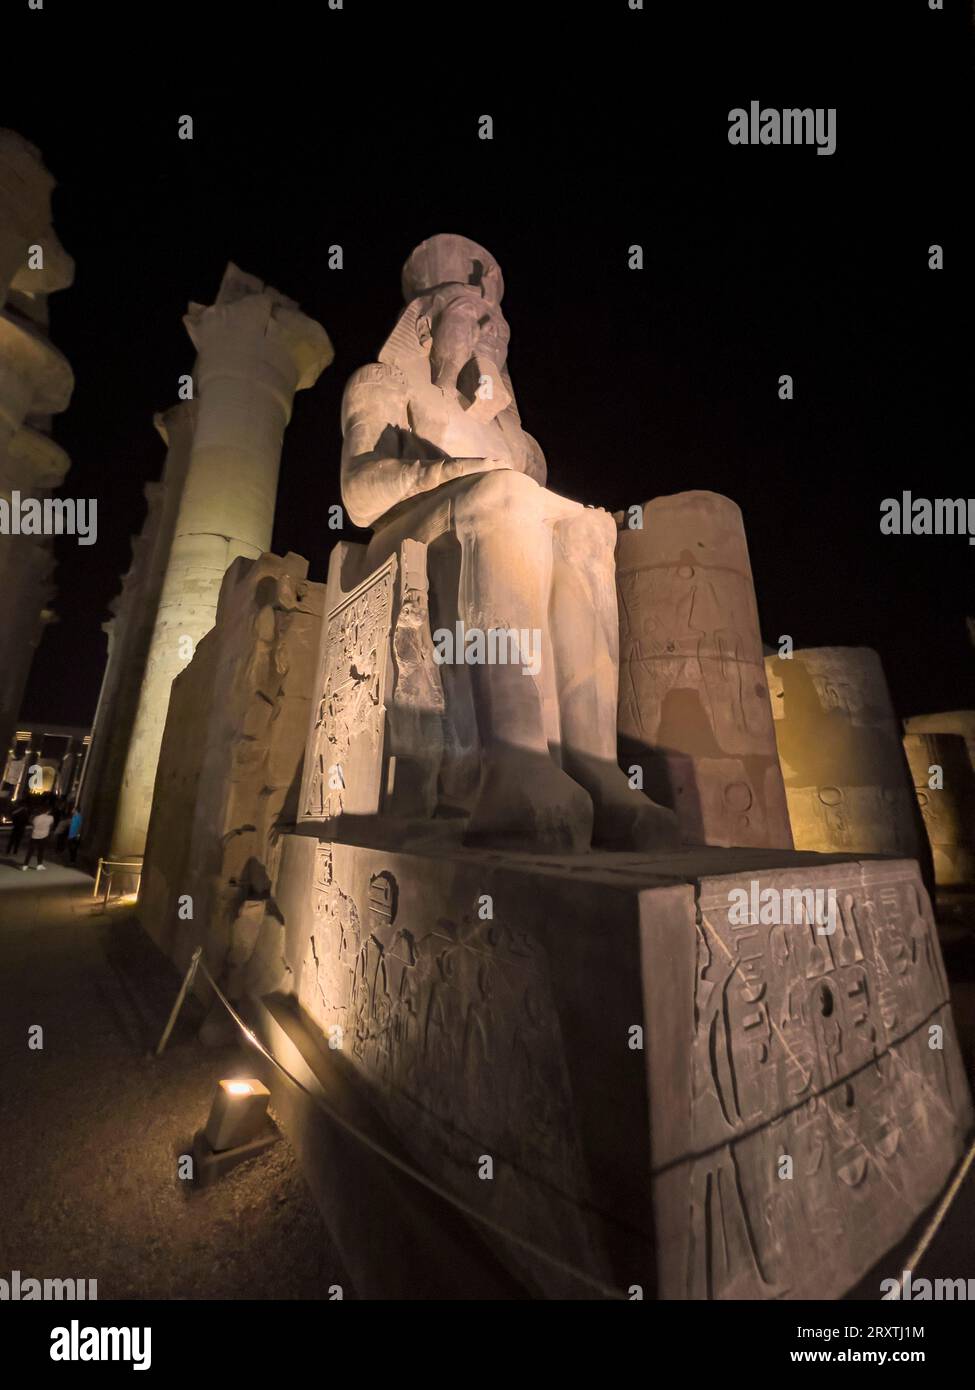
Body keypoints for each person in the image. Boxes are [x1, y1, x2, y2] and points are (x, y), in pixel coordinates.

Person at [22, 803, 55, 870]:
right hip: (44, 836)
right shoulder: (50, 818)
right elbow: (51, 825)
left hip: (34, 835)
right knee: (41, 851)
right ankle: (39, 865)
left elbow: (32, 824)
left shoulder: (36, 818)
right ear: (48, 811)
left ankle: (25, 865)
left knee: (30, 851)